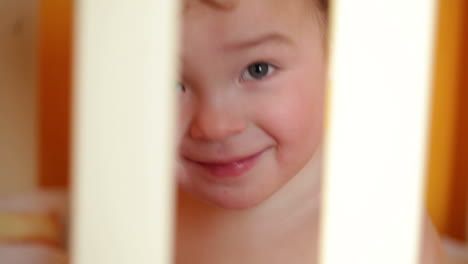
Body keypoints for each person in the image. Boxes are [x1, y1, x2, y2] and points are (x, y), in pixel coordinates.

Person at [0, 0, 445, 263]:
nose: (214, 125)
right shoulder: (134, 200)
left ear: (336, 50)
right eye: (168, 84)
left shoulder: (377, 217)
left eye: (258, 69)